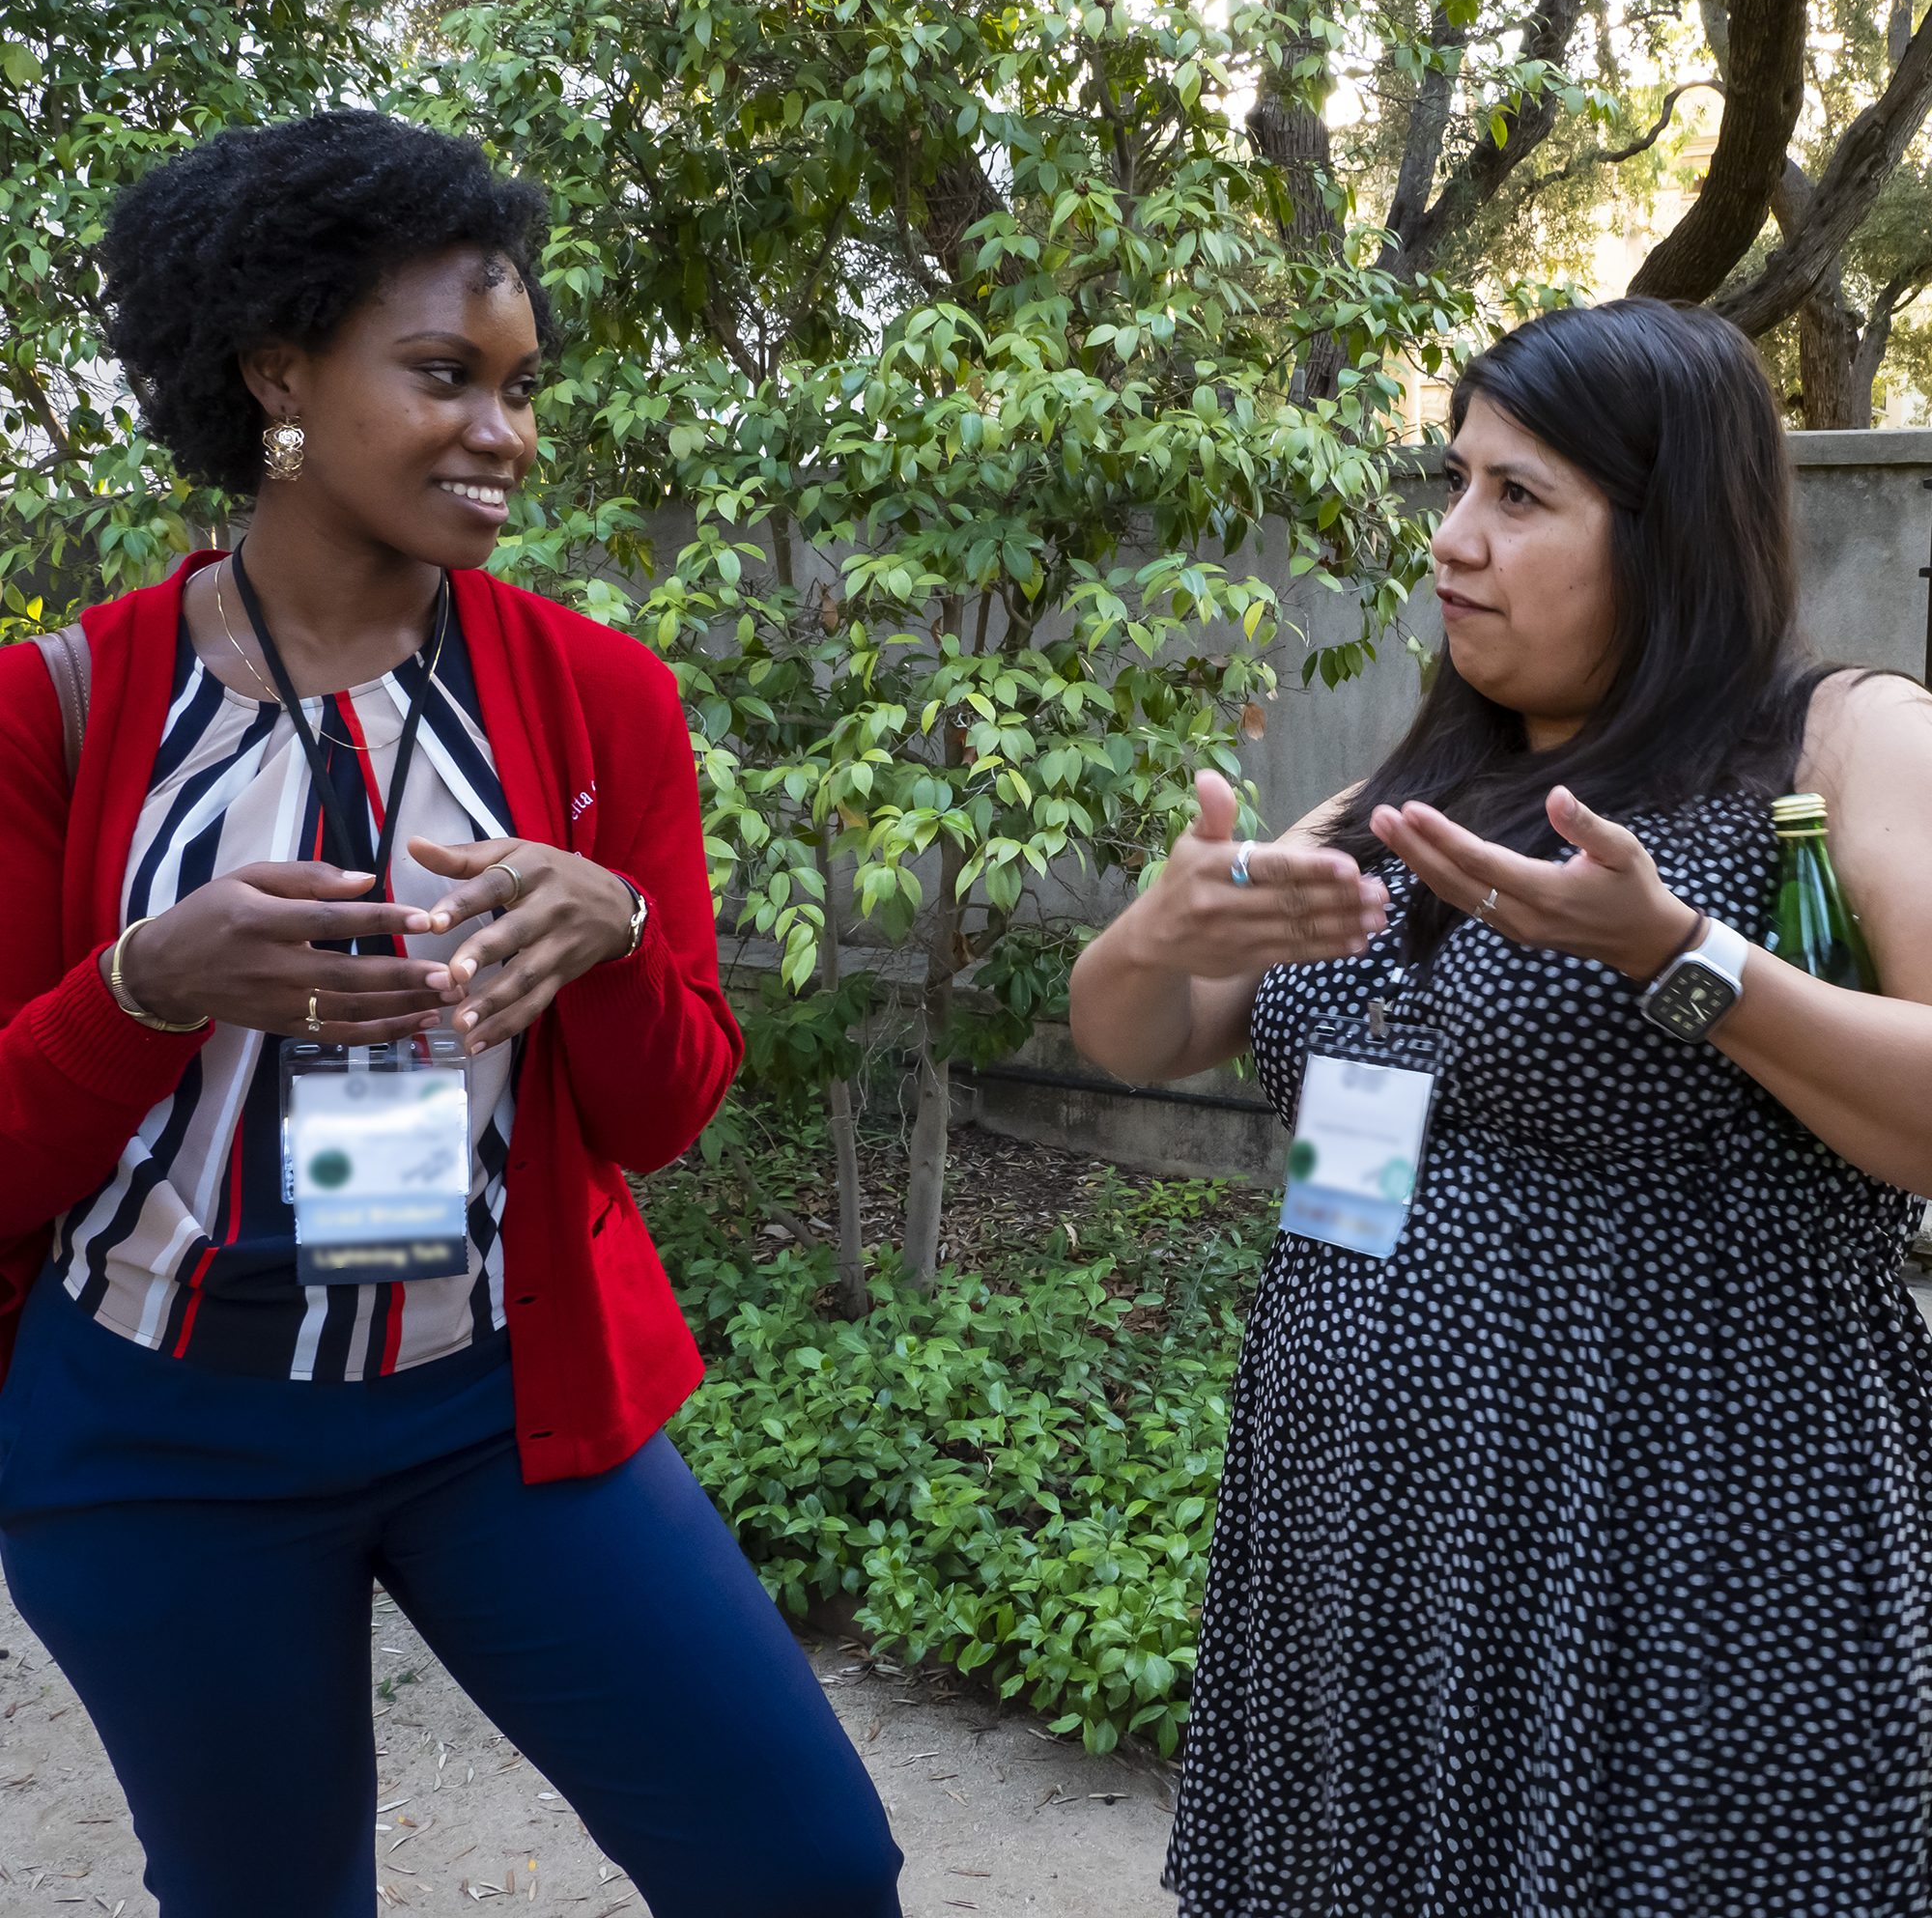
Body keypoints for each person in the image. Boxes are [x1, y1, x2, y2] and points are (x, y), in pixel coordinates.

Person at [0, 112, 902, 1918]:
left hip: (501, 1407)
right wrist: (141, 990)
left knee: (802, 1866)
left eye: (519, 385)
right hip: (161, 1431)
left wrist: (616, 932)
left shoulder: (596, 702)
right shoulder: (63, 706)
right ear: (277, 371)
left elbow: (659, 1117)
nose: (503, 434)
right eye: (442, 375)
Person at [1070, 299, 1932, 1915]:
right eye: (1455, 485)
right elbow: (1140, 1030)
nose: (1455, 542)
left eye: (1519, 498)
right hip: (1364, 1516)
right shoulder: (1410, 780)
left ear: (1669, 527)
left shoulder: (1838, 739)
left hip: (1677, 1515)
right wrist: (1153, 931)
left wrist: (1679, 955)